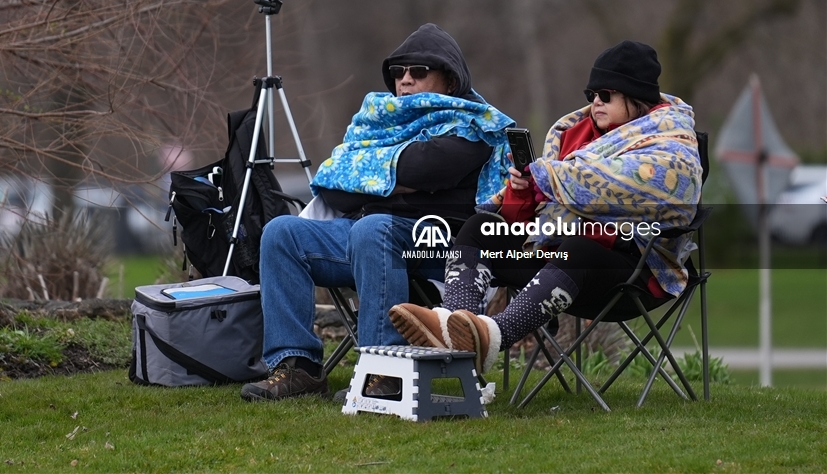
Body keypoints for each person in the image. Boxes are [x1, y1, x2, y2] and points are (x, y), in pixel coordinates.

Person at [390, 40, 703, 376]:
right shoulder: (572, 134)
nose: (596, 102)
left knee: (578, 248)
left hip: (631, 268)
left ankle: (491, 338)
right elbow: (526, 218)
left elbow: (638, 185)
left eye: (606, 95)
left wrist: (551, 177)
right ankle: (455, 328)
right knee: (479, 229)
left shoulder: (670, 140)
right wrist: (523, 190)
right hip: (551, 256)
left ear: (636, 97)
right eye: (591, 95)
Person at [240, 23, 513, 401]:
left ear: (449, 81)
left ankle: (385, 371)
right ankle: (297, 368)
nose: (405, 81)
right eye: (398, 73)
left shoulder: (473, 127)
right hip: (367, 235)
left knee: (374, 227)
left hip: (437, 245)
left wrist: (373, 175)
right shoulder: (379, 124)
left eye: (419, 72)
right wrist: (399, 179)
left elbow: (427, 168)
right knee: (282, 232)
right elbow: (334, 185)